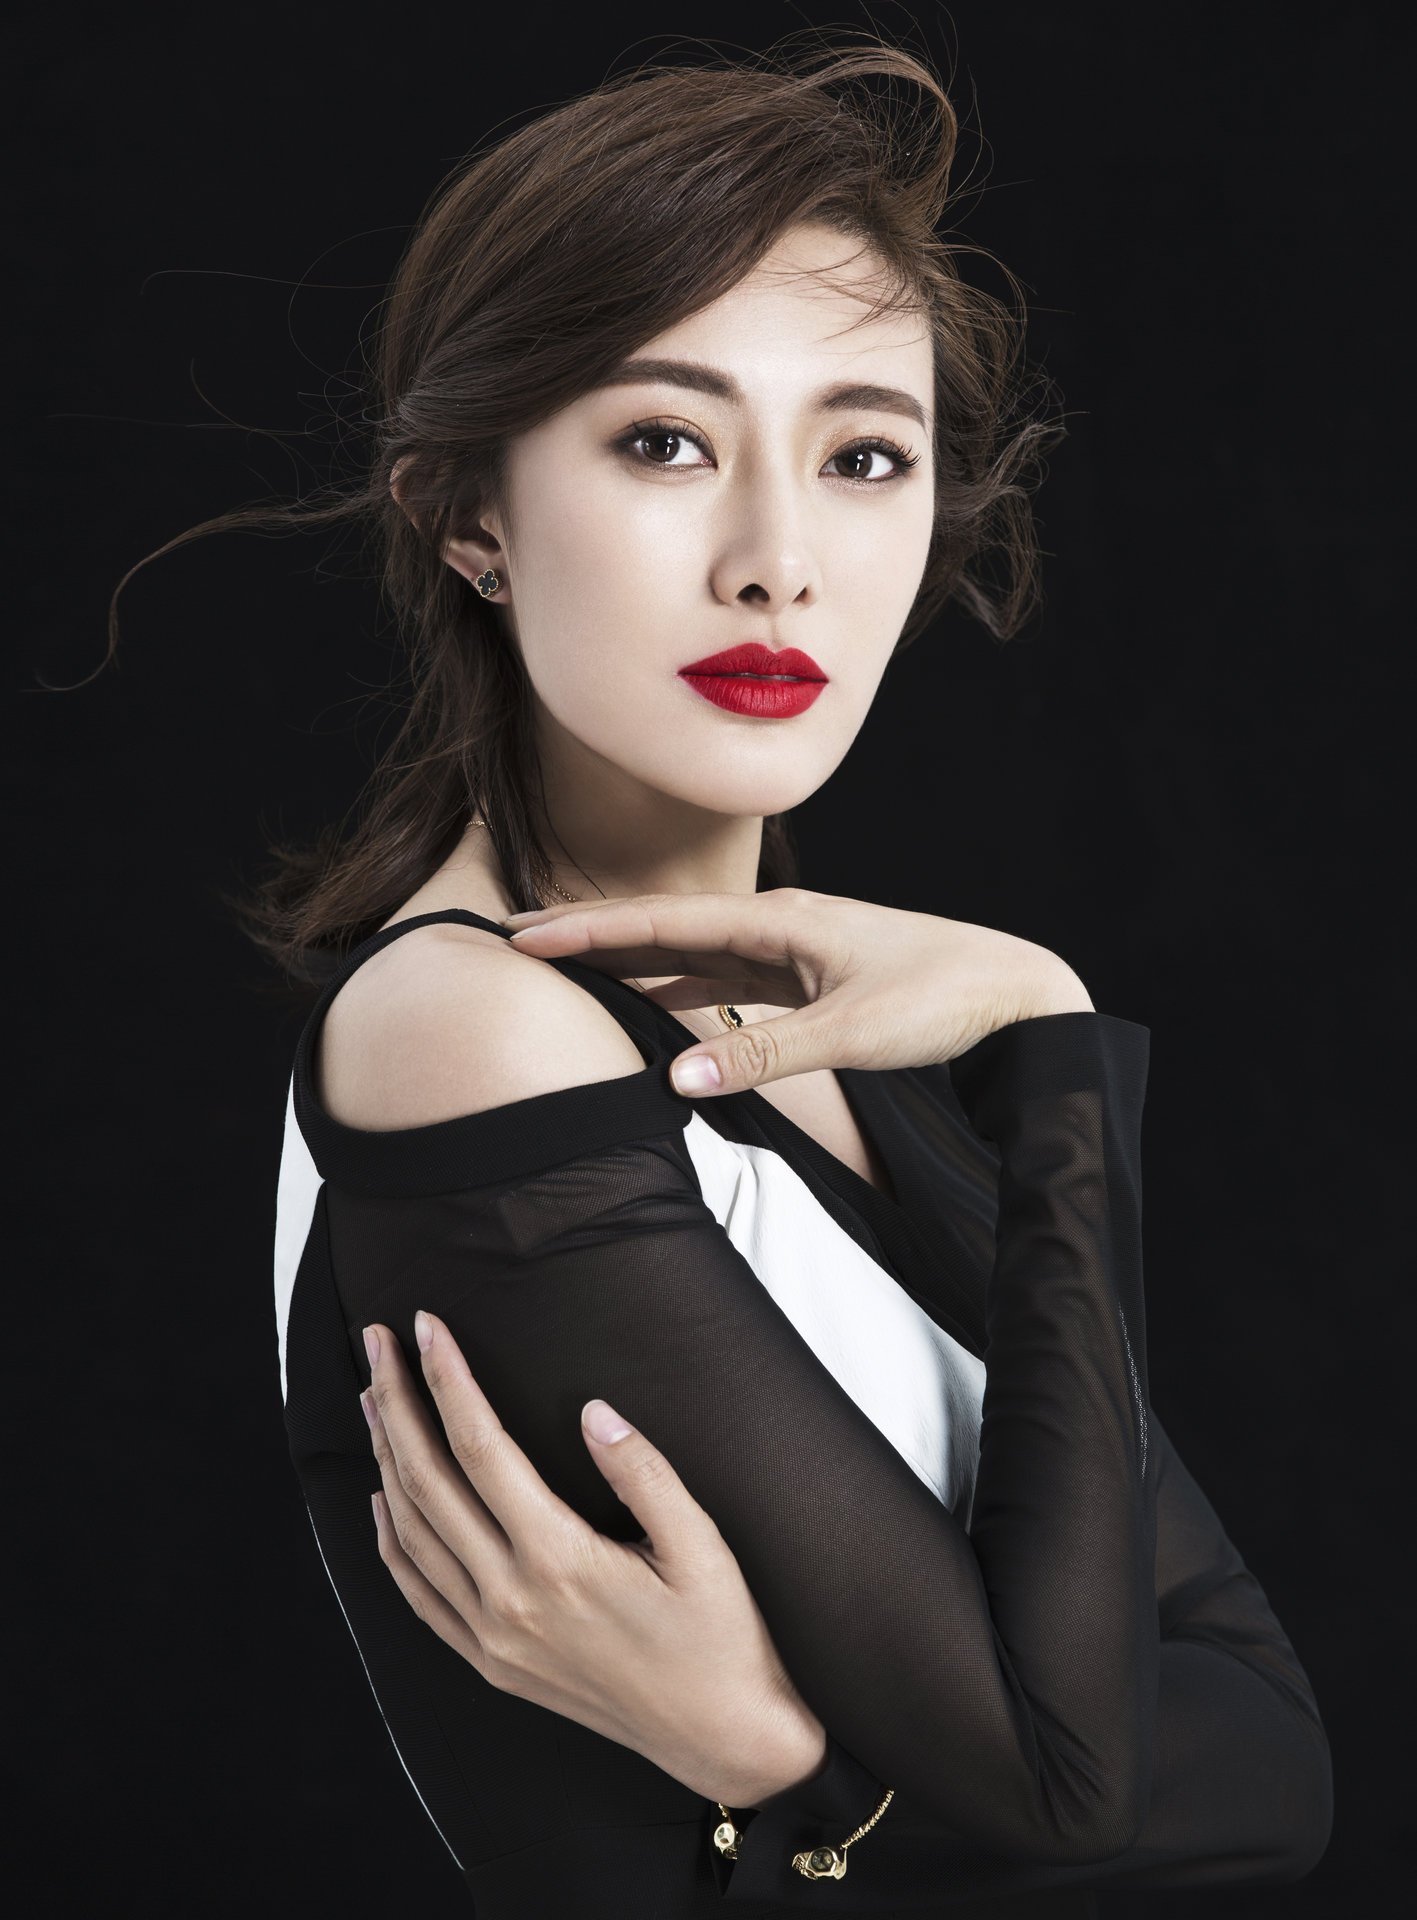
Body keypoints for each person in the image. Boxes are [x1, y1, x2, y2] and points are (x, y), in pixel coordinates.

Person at [217, 31, 1336, 1917]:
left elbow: (1275, 1763)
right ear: (467, 515)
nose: (776, 561)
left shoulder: (832, 1030)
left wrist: (771, 1764)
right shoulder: (464, 1032)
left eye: (861, 455)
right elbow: (1078, 1785)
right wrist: (1055, 1052)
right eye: (664, 440)